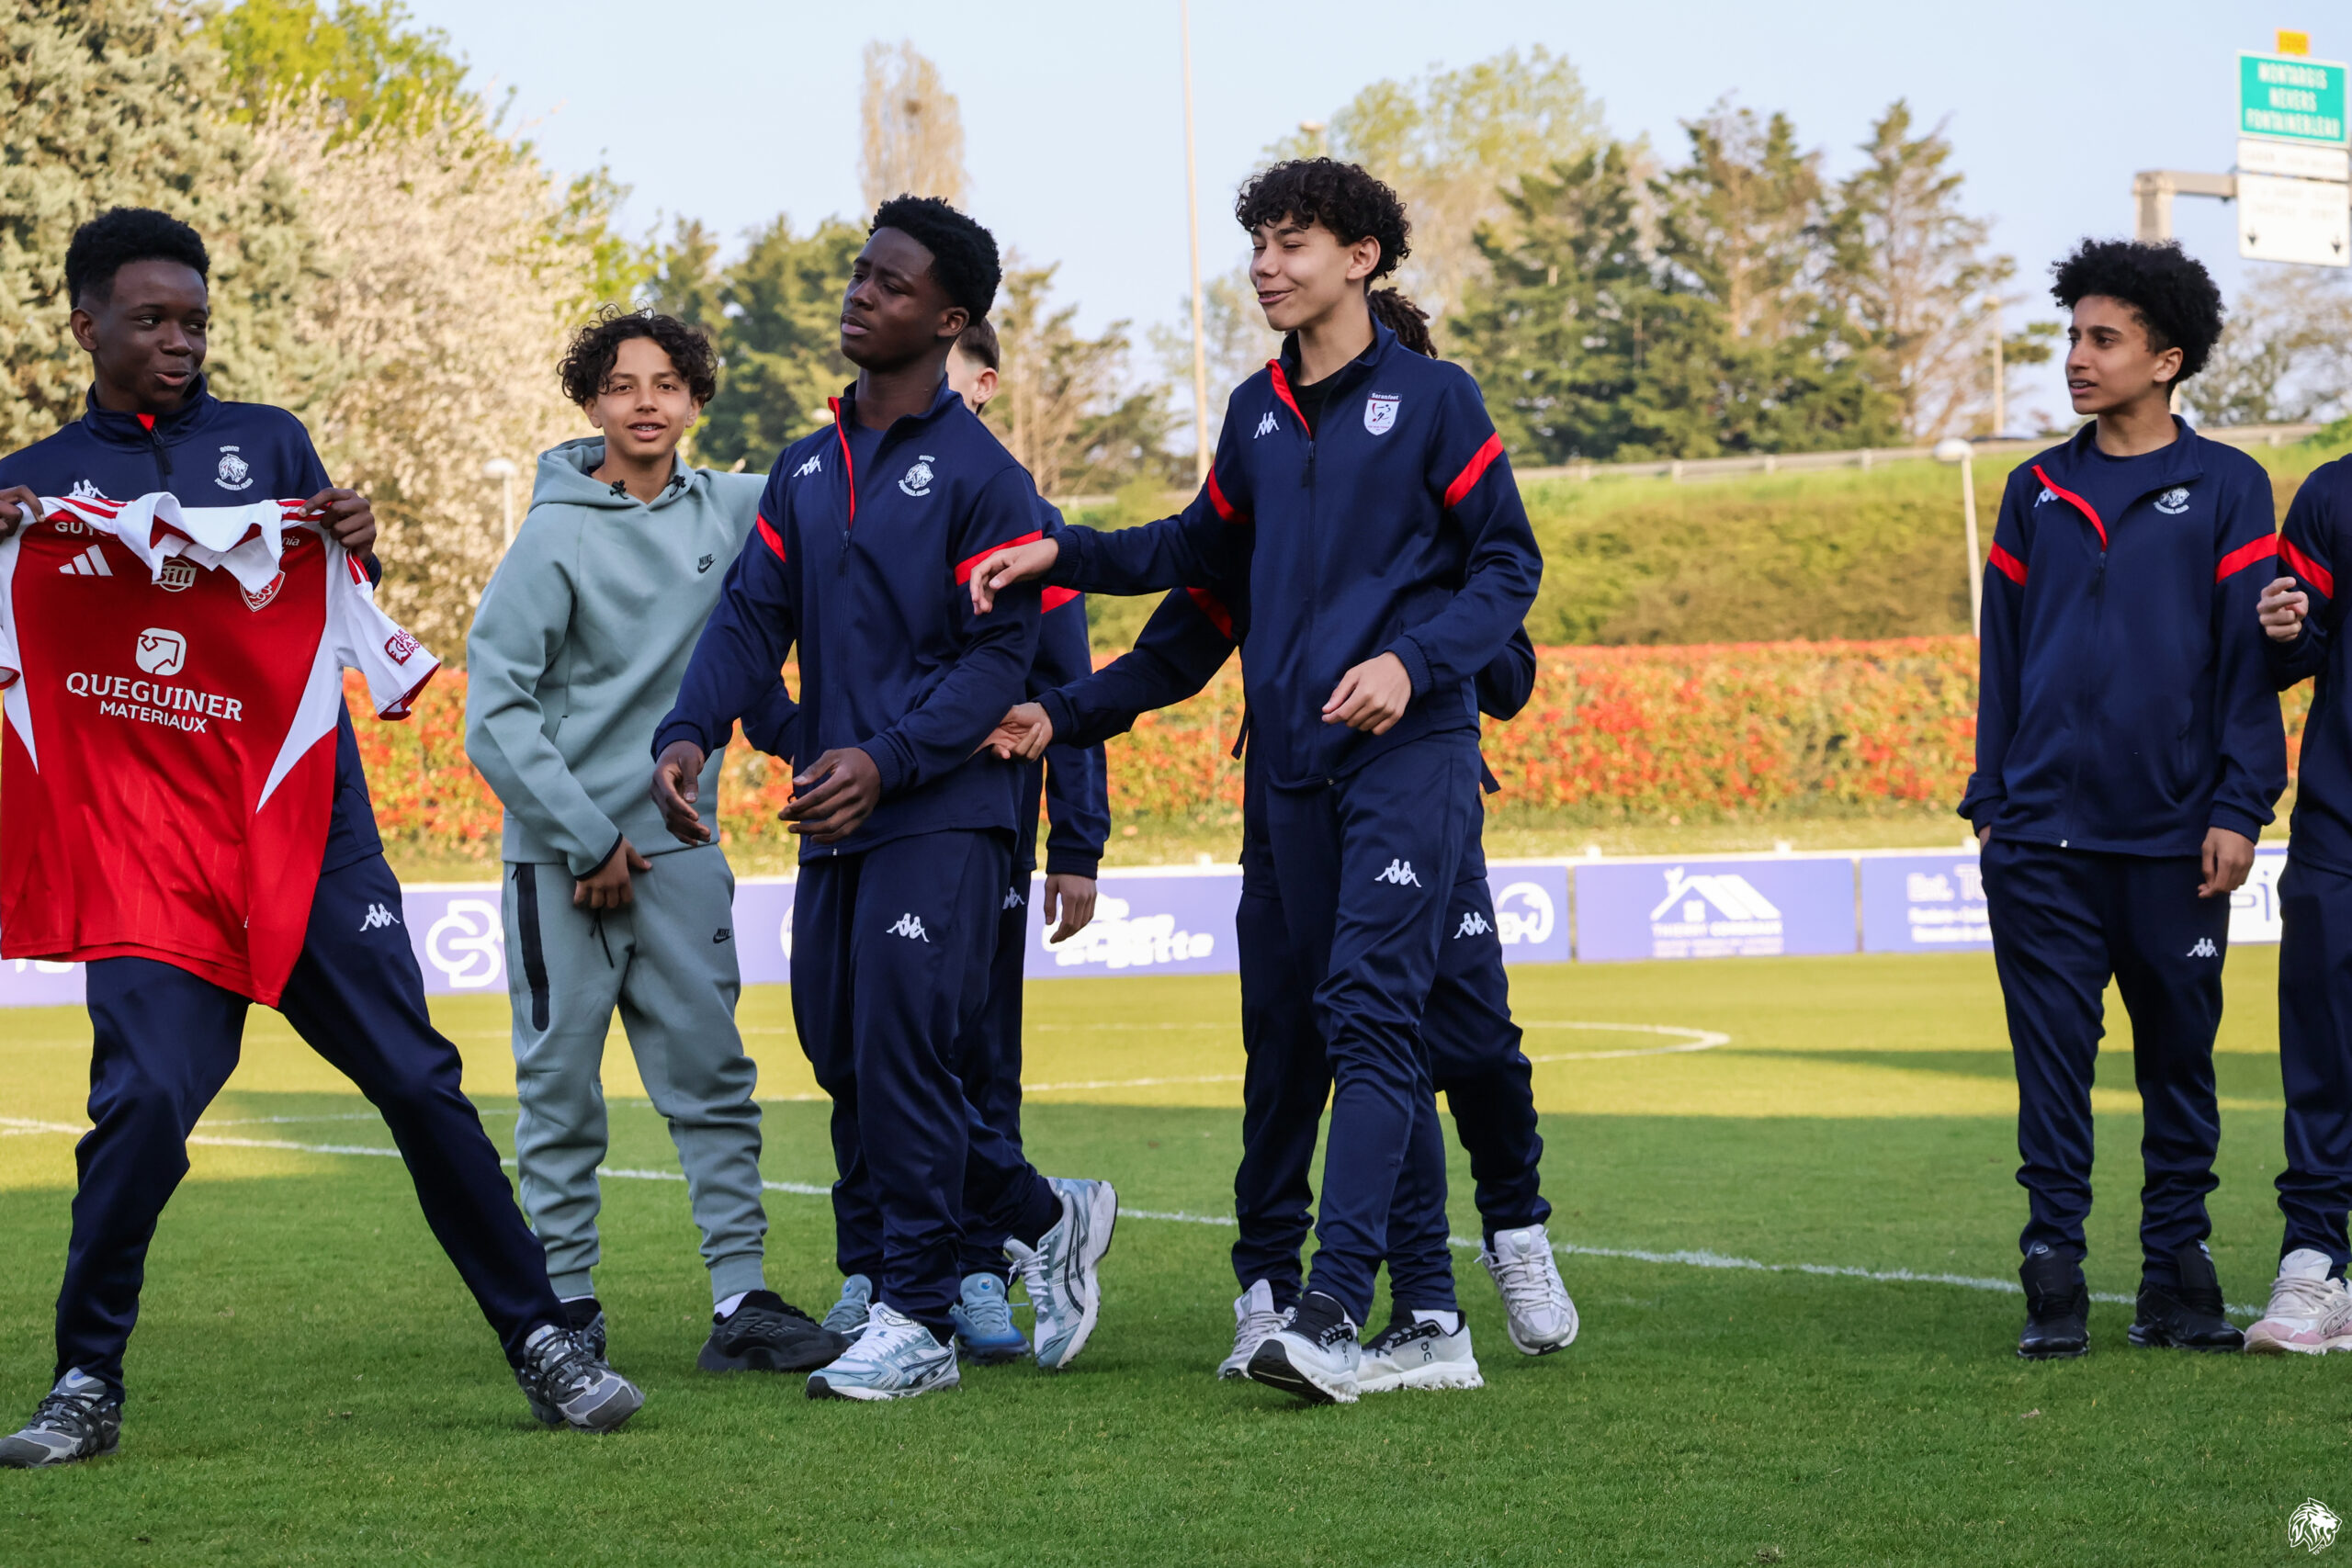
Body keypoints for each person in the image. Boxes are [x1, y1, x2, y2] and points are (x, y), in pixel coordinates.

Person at [0, 209, 639, 1468]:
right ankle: (85, 1379)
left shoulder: (271, 442)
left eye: (195, 321)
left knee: (418, 1080)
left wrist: (359, 541)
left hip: (306, 831)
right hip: (152, 858)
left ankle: (545, 1339)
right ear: (84, 325)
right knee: (142, 1103)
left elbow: (333, 602)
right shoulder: (34, 481)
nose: (181, 342)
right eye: (151, 320)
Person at [966, 160, 1544, 1404]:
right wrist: (1059, 554)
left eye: (1294, 243)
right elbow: (1191, 558)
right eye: (1259, 244)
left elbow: (1509, 567)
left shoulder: (1437, 399)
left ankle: (1333, 1309)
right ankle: (1417, 1317)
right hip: (1286, 776)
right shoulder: (1256, 415)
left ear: (1361, 258)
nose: (1267, 266)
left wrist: (1411, 662)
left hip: (1411, 755)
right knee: (1320, 1034)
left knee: (1384, 1019)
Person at [650, 197, 1114, 1402]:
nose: (861, 293)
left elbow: (1003, 663)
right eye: (861, 272)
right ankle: (1043, 1214)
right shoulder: (807, 469)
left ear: (950, 320)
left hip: (948, 810)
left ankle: (915, 1315)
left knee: (905, 1052)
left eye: (892, 283)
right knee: (841, 1051)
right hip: (841, 818)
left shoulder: (987, 479)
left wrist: (891, 759)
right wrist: (690, 730)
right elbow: (750, 620)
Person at [989, 581, 1577, 1392]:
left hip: (1419, 802)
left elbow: (1510, 674)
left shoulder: (1431, 528)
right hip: (1290, 811)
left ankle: (1512, 1227)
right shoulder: (1261, 519)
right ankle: (1298, 1292)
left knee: (1470, 1044)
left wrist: (1417, 653)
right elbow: (1174, 638)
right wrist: (1063, 703)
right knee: (1290, 1052)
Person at [463, 310, 842, 1375]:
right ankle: (566, 1306)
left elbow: (839, 490)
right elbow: (494, 712)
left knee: (715, 1081)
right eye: (623, 384)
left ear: (695, 400)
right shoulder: (553, 536)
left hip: (680, 854)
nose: (646, 402)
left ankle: (742, 1301)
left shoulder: (735, 508)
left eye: (668, 383)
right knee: (559, 1091)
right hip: (563, 861)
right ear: (590, 401)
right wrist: (586, 839)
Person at [1960, 237, 2282, 1360]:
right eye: (2072, 336)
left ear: (2166, 358)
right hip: (2038, 843)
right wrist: (1990, 801)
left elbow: (2247, 664)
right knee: (2050, 1073)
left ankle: (2175, 1280)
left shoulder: (2231, 487)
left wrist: (2239, 806)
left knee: (2178, 1069)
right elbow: (2002, 658)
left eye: (2103, 339)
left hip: (2176, 842)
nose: (2077, 358)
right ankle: (2051, 1276)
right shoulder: (2033, 491)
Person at [2247, 450, 2352, 1352]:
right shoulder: (2333, 492)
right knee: (2322, 1053)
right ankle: (2314, 1261)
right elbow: (2297, 651)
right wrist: (2285, 631)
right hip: (2340, 832)